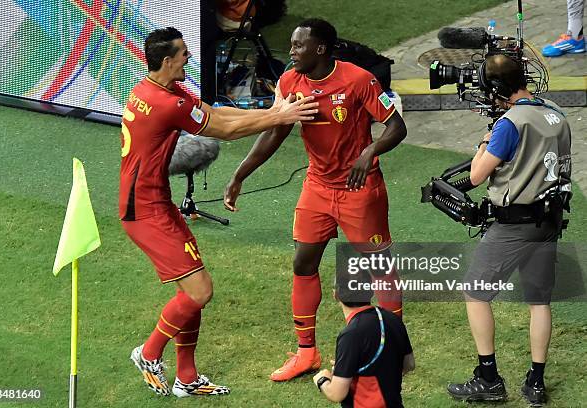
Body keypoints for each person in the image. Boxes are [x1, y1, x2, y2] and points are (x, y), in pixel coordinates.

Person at [120, 27, 318, 398]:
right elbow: (223, 130)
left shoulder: (153, 89)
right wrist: (280, 116)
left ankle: (187, 377)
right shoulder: (167, 103)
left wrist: (272, 110)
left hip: (154, 204)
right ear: (167, 61)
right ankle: (147, 353)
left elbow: (214, 112)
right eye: (183, 54)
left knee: (189, 292)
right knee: (199, 290)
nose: (189, 58)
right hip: (146, 213)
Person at [223, 18, 407, 382]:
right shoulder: (290, 82)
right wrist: (239, 175)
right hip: (318, 188)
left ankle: (393, 350)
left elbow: (397, 126)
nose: (290, 52)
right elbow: (276, 133)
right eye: (292, 45)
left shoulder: (358, 80)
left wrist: (370, 150)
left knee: (378, 271)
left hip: (360, 191)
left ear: (320, 49)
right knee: (302, 264)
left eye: (298, 46)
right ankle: (306, 353)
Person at [447, 54, 572, 406]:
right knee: (539, 301)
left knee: (475, 293)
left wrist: (485, 141)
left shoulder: (509, 124)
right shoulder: (555, 112)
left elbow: (475, 175)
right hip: (549, 221)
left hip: (515, 225)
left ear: (498, 88)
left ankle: (488, 378)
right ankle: (535, 382)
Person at [312, 270, 414, 407]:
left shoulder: (351, 335)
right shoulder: (392, 319)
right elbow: (409, 364)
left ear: (336, 295)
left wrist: (322, 379)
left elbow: (337, 393)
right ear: (371, 291)